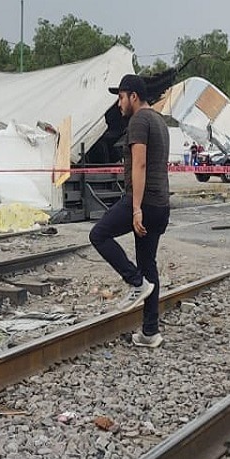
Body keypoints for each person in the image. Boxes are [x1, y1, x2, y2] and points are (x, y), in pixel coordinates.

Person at [89, 73, 170, 347]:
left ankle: (134, 282)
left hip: (144, 202)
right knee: (149, 267)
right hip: (161, 204)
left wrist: (135, 208)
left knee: (98, 235)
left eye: (121, 97)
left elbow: (140, 165)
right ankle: (150, 333)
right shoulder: (159, 121)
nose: (119, 103)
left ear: (134, 96)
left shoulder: (139, 121)